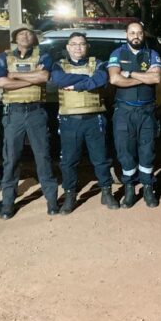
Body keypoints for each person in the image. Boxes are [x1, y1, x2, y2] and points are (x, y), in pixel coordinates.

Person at [0, 25, 59, 219]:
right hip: (13, 113)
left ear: (34, 38)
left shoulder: (43, 56)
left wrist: (14, 75)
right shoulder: (3, 58)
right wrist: (31, 79)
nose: (24, 36)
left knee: (43, 157)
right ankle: (8, 203)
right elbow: (0, 82)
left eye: (28, 33)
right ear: (15, 38)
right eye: (20, 33)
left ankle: (51, 200)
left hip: (36, 112)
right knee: (11, 158)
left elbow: (44, 76)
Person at [50, 32, 120, 214]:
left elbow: (101, 79)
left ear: (87, 46)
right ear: (68, 47)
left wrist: (77, 85)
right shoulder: (58, 65)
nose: (78, 47)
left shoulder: (99, 64)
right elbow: (59, 80)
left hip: (94, 119)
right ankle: (70, 195)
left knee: (101, 159)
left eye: (81, 44)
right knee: (69, 161)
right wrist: (87, 79)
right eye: (74, 44)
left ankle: (106, 192)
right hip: (69, 120)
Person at [107, 21, 161, 208]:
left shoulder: (152, 54)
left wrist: (130, 73)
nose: (136, 36)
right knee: (125, 151)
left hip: (147, 111)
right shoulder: (117, 54)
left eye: (139, 33)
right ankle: (129, 188)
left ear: (143, 35)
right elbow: (115, 79)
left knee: (147, 150)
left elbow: (156, 77)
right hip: (124, 111)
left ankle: (148, 188)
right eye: (132, 33)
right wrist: (143, 77)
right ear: (126, 35)